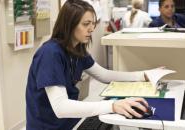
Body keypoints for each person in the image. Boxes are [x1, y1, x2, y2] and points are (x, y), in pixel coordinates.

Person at [26, 0, 154, 129]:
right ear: (69, 24)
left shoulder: (77, 50)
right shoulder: (50, 53)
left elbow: (104, 75)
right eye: (86, 24)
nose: (92, 29)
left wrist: (142, 76)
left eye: (93, 24)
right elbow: (61, 107)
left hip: (69, 123)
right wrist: (112, 105)